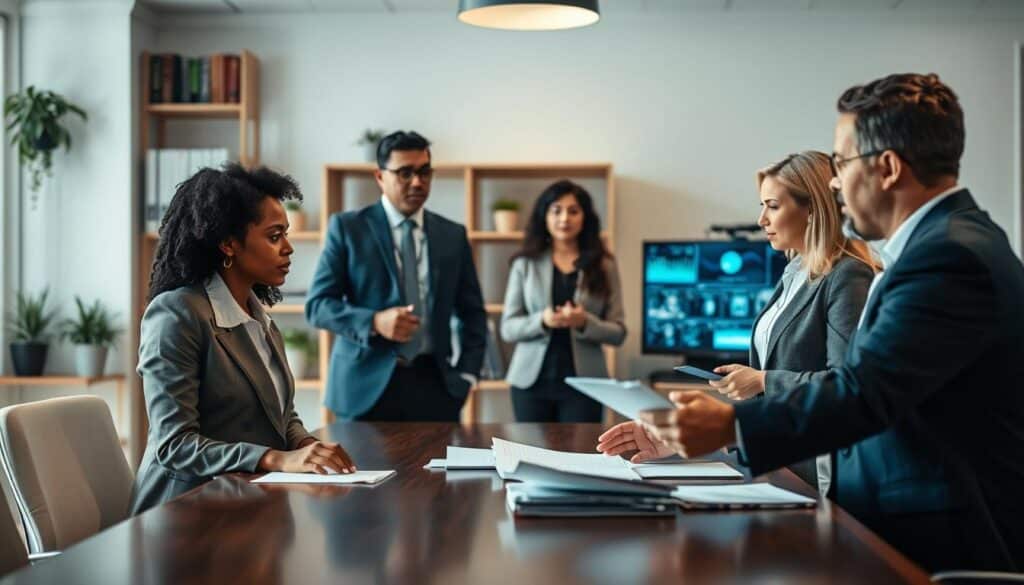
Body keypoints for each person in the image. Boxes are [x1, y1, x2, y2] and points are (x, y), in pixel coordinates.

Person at [597, 73, 1024, 572]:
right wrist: (695, 436)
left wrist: (730, 426)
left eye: (841, 163)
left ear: (887, 167)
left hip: (944, 540)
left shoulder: (949, 257)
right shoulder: (942, 246)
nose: (837, 183)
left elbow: (863, 393)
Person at [132, 164, 355, 515]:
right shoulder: (176, 314)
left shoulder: (258, 318)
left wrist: (308, 446)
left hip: (242, 503)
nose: (289, 248)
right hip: (181, 514)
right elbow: (174, 445)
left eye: (286, 234)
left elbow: (282, 417)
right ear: (229, 244)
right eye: (274, 235)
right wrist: (275, 458)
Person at [705, 151, 876, 494]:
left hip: (818, 466)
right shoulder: (795, 273)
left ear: (812, 208)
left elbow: (846, 383)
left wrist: (764, 380)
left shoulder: (847, 274)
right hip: (780, 456)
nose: (760, 219)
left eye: (772, 206)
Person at [306, 131, 487, 421]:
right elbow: (317, 306)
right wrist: (374, 322)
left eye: (424, 172)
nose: (417, 182)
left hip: (437, 389)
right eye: (405, 173)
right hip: (364, 389)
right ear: (380, 176)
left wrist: (467, 374)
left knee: (437, 469)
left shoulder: (452, 235)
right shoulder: (348, 228)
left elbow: (472, 313)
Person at [500, 180, 626, 423]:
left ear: (585, 217)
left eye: (573, 211)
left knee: (580, 456)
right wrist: (542, 320)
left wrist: (584, 322)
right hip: (530, 384)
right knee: (530, 455)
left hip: (586, 384)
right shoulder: (524, 263)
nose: (564, 218)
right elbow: (508, 328)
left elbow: (619, 332)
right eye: (556, 210)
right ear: (544, 216)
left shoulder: (604, 265)